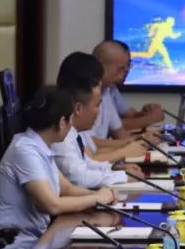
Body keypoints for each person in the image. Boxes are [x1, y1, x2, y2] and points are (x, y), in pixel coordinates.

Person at [0, 86, 118, 249]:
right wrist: (97, 199)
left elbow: (67, 188)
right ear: (61, 122)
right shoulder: (25, 149)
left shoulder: (41, 145)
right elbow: (52, 204)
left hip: (31, 244)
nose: (71, 126)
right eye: (70, 120)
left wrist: (102, 197)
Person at [53, 52, 144, 186]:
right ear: (78, 108)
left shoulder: (73, 130)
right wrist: (122, 176)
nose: (99, 111)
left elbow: (87, 163)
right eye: (97, 105)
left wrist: (115, 169)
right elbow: (79, 178)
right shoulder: (60, 133)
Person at [90, 41, 161, 150]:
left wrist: (143, 139)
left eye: (127, 67)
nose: (125, 72)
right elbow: (88, 145)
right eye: (120, 68)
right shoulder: (83, 95)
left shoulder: (107, 93)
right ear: (100, 65)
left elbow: (121, 135)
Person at [110, 40, 164, 131]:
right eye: (122, 66)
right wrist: (152, 118)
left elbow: (130, 114)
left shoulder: (111, 88)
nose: (127, 70)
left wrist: (146, 113)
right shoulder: (96, 91)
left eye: (128, 64)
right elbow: (112, 126)